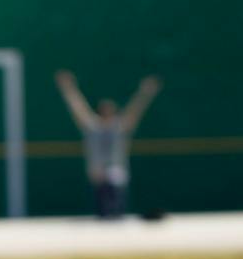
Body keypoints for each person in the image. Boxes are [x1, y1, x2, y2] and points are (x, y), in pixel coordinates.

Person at [54, 71, 162, 219]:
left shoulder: (120, 127)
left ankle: (115, 214)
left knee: (114, 181)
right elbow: (78, 107)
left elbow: (135, 109)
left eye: (110, 110)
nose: (107, 113)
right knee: (103, 193)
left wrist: (145, 92)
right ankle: (105, 214)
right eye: (104, 111)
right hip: (97, 171)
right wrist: (68, 88)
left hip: (117, 171)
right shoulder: (92, 127)